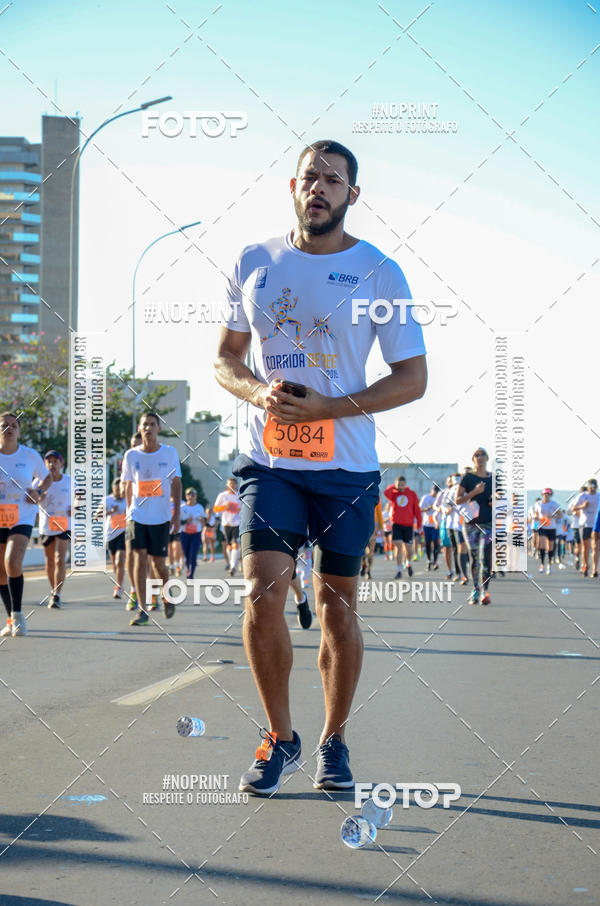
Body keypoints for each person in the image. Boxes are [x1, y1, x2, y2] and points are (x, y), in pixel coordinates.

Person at [215, 139, 427, 794]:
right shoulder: (254, 259)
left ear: (352, 196)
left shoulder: (380, 272)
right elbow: (225, 358)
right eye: (311, 176)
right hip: (269, 460)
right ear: (292, 186)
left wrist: (332, 406)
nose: (321, 187)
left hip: (346, 467)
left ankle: (334, 740)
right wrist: (259, 394)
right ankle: (280, 737)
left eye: (334, 180)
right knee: (263, 594)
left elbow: (413, 377)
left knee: (337, 609)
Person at [121, 412, 182, 625]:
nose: (148, 428)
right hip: (137, 515)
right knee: (139, 557)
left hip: (161, 516)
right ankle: (143, 608)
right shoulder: (131, 455)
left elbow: (176, 483)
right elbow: (128, 484)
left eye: (152, 425)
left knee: (158, 564)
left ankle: (167, 596)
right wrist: (129, 510)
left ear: (159, 428)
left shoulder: (169, 453)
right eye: (144, 425)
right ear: (140, 428)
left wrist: (176, 515)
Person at [0, 412, 52, 636]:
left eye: (13, 425)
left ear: (19, 431)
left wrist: (39, 491)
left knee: (12, 561)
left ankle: (19, 615)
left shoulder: (29, 455)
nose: (9, 428)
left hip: (22, 514)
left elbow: (46, 477)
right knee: (1, 573)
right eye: (4, 425)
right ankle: (10, 618)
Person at [456, 448, 493, 605]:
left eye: (482, 454)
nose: (479, 457)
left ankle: (485, 591)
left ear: (487, 458)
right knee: (475, 557)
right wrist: (474, 492)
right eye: (476, 455)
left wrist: (496, 501)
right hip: (470, 523)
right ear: (473, 459)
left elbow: (501, 500)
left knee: (486, 556)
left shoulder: (494, 478)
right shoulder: (467, 478)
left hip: (488, 523)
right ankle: (476, 589)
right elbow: (458, 500)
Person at [35, 451, 71, 608]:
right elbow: (29, 499)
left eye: (55, 461)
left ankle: (57, 594)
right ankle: (53, 590)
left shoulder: (70, 481)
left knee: (59, 559)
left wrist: (75, 507)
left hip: (64, 524)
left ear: (61, 464)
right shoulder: (38, 482)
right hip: (46, 525)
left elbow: (80, 498)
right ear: (44, 465)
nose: (52, 464)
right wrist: (39, 497)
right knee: (49, 561)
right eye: (49, 462)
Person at [384, 476, 422, 579]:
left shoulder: (412, 494)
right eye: (398, 484)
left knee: (409, 550)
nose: (401, 486)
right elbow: (386, 492)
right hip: (396, 524)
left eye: (402, 484)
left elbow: (417, 510)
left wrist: (419, 525)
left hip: (409, 525)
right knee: (399, 546)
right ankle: (399, 569)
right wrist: (394, 486)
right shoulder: (394, 494)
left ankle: (408, 564)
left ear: (405, 484)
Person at [104, 478, 127, 599]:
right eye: (117, 490)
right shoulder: (107, 500)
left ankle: (118, 586)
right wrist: (110, 511)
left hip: (124, 533)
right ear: (113, 489)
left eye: (121, 489)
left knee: (120, 560)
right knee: (115, 565)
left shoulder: (128, 500)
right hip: (111, 534)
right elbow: (97, 515)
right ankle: (119, 582)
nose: (119, 492)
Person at [213, 478, 241, 577]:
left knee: (235, 544)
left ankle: (233, 567)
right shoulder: (222, 495)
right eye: (230, 484)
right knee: (229, 546)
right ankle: (231, 563)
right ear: (227, 485)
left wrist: (239, 509)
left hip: (237, 523)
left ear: (236, 485)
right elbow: (215, 509)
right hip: (226, 523)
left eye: (234, 484)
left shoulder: (239, 495)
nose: (232, 486)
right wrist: (225, 507)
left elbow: (244, 509)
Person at [573, 479, 600, 577]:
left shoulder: (598, 496)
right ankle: (585, 565)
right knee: (585, 547)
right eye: (591, 487)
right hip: (584, 525)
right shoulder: (582, 496)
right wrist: (582, 506)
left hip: (596, 525)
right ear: (588, 487)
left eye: (594, 487)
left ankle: (595, 569)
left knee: (595, 547)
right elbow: (573, 508)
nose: (593, 489)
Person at [532, 488, 561, 576]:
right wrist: (536, 519)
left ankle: (549, 565)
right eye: (545, 493)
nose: (546, 495)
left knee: (550, 548)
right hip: (542, 527)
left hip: (552, 527)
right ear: (542, 494)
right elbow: (536, 515)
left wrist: (552, 516)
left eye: (548, 493)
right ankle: (542, 564)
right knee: (543, 545)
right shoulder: (538, 504)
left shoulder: (554, 504)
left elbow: (560, 515)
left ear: (550, 495)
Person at [180, 487, 206, 579]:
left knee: (193, 554)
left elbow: (204, 521)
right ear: (186, 496)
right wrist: (186, 521)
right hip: (185, 534)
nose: (191, 496)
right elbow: (177, 522)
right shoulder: (182, 508)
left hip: (196, 534)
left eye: (193, 494)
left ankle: (191, 574)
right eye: (189, 494)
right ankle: (188, 569)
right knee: (187, 555)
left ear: (196, 496)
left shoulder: (199, 507)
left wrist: (201, 520)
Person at [420, 483, 440, 571]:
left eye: (437, 492)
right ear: (431, 490)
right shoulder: (426, 497)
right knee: (427, 543)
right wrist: (427, 508)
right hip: (427, 524)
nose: (435, 493)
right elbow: (419, 509)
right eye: (434, 491)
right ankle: (429, 560)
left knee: (436, 543)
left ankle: (435, 562)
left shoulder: (439, 499)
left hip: (436, 524)